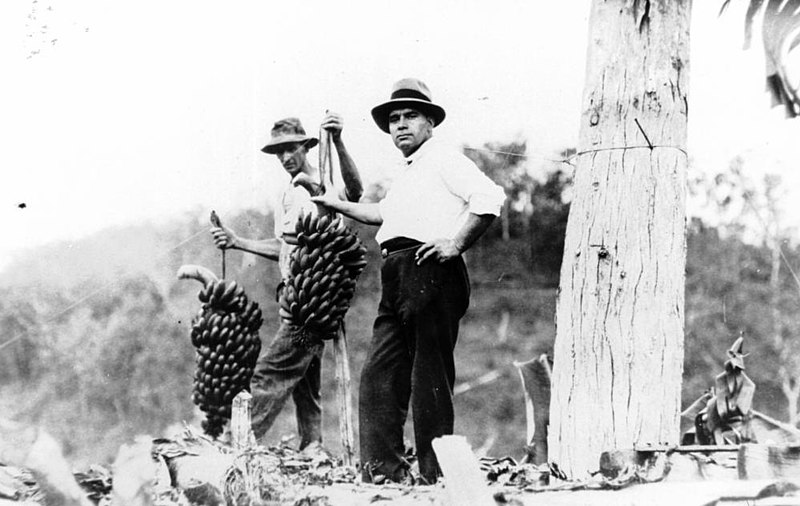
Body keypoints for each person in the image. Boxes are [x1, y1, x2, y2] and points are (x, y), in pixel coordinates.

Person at [311, 78, 505, 483]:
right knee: (379, 378)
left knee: (429, 377)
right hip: (395, 273)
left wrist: (455, 244)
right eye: (394, 119)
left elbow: (489, 198)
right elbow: (383, 214)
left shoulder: (444, 159)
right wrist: (336, 204)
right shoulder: (408, 170)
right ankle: (384, 475)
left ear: (430, 123)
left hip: (431, 270)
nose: (400, 125)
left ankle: (436, 477)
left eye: (410, 116)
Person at [210, 113, 363, 452]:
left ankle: (235, 444)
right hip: (292, 293)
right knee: (304, 379)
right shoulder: (286, 194)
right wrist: (239, 242)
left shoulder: (323, 181)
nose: (284, 158)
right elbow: (283, 245)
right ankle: (313, 446)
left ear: (305, 146)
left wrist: (337, 142)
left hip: (314, 297)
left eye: (290, 150)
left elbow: (355, 192)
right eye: (278, 153)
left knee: (272, 371)